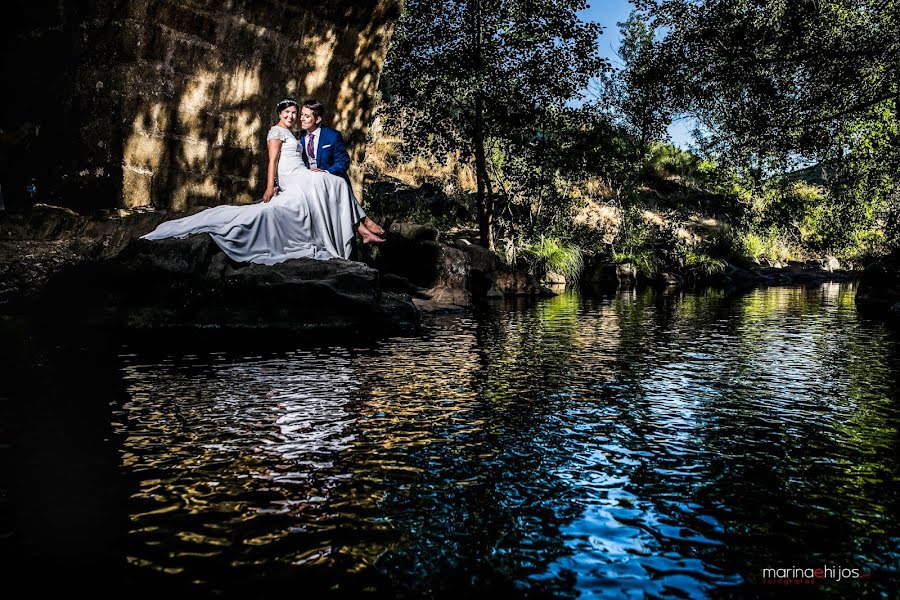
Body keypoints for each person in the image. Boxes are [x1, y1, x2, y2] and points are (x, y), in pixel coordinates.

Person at [141, 98, 382, 263]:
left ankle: (361, 228)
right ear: (279, 114)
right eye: (289, 113)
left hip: (300, 173)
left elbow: (332, 161)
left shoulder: (300, 134)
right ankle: (362, 225)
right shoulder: (276, 132)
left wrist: (319, 169)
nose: (293, 116)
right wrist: (270, 186)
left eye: (296, 114)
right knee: (330, 183)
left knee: (334, 181)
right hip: (292, 176)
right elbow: (273, 161)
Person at [298, 99, 384, 239]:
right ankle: (364, 222)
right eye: (302, 114)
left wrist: (326, 172)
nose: (301, 118)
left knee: (339, 185)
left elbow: (343, 162)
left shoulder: (332, 136)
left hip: (330, 178)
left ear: (318, 119)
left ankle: (363, 227)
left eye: (306, 116)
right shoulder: (300, 136)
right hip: (311, 182)